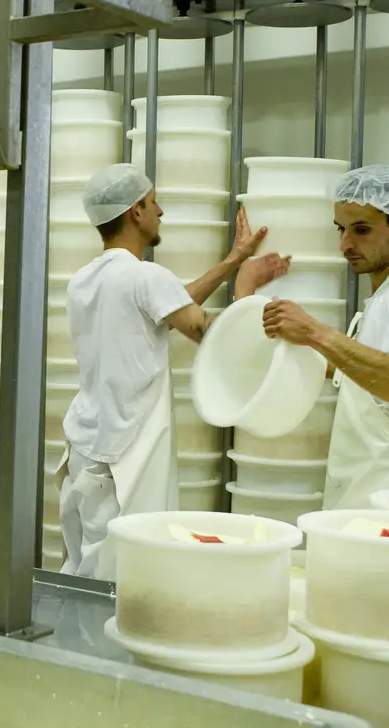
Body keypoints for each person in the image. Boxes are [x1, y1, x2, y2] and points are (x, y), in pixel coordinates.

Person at [57, 163, 290, 577]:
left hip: (86, 447)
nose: (160, 211)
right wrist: (246, 289)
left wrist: (232, 259)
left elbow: (165, 304)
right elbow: (208, 334)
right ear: (135, 212)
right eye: (153, 203)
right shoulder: (144, 277)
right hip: (125, 458)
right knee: (126, 579)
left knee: (84, 569)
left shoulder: (86, 280)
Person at [261, 165, 389, 509]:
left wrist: (315, 332)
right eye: (341, 229)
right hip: (383, 491)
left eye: (361, 230)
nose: (345, 245)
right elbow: (373, 377)